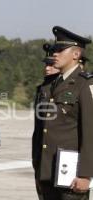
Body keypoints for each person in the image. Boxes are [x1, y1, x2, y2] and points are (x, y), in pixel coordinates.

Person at [33, 26, 93, 200]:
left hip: (71, 175)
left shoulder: (85, 84)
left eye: (60, 50)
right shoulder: (52, 84)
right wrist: (38, 164)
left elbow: (90, 132)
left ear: (76, 55)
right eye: (54, 50)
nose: (55, 54)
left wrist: (85, 174)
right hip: (48, 171)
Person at [32, 43, 60, 200]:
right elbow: (39, 127)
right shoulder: (42, 89)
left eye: (51, 65)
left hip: (61, 158)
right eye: (46, 65)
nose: (47, 69)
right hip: (42, 157)